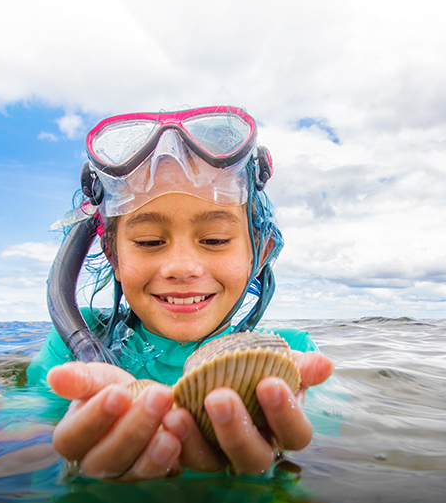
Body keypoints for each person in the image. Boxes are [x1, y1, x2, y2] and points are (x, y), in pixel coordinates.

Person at [27, 106, 334, 482]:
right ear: (115, 257)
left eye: (215, 240)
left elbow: (331, 454)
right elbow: (14, 440)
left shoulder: (295, 356)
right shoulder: (73, 349)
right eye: (150, 241)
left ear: (261, 251)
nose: (182, 267)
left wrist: (269, 472)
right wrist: (72, 469)